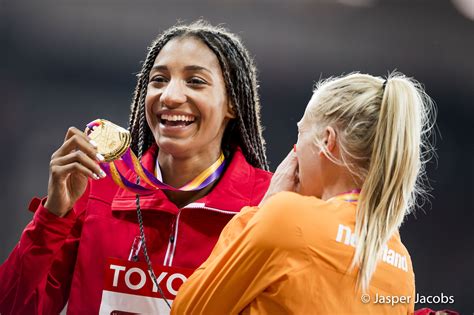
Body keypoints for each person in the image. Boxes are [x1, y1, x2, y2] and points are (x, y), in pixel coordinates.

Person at [0, 21, 272, 314]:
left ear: (232, 102)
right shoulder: (99, 185)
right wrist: (52, 217)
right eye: (158, 80)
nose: (169, 96)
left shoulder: (266, 207)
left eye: (195, 81)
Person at [172, 72, 436, 314]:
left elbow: (189, 309)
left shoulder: (288, 217)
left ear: (327, 141)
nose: (295, 150)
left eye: (301, 133)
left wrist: (260, 211)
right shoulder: (400, 264)